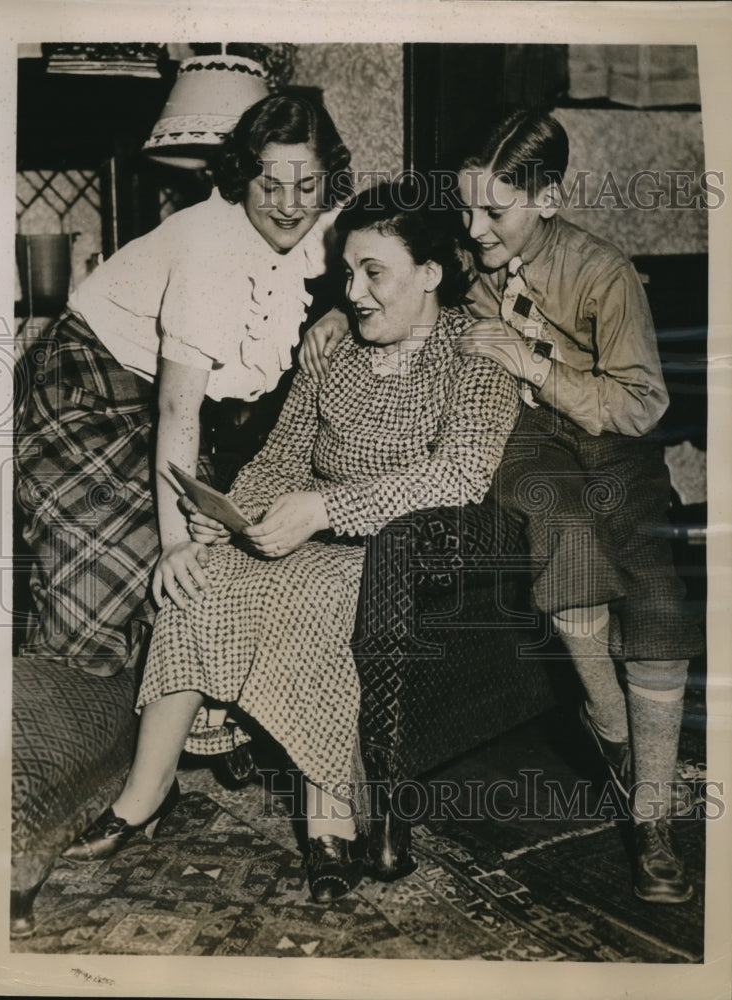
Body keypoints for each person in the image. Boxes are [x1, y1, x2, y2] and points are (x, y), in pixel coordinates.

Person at [60, 180, 521, 905]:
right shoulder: (335, 351)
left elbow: (458, 475)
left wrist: (326, 508)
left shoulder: (478, 352)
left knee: (311, 590)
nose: (355, 292)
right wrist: (228, 514)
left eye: (375, 273)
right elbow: (281, 459)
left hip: (403, 546)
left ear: (430, 273)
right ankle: (144, 795)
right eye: (348, 273)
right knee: (204, 575)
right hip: (309, 524)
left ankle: (326, 819)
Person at [300, 111, 704, 906]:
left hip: (610, 438)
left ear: (547, 198)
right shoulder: (469, 257)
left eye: (495, 211)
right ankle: (609, 720)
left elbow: (642, 406)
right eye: (466, 209)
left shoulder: (602, 273)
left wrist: (533, 363)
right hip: (525, 441)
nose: (475, 229)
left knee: (655, 587)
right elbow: (402, 278)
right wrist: (338, 315)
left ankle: (650, 814)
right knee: (560, 529)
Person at [14, 93, 352, 678]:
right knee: (111, 569)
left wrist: (343, 308)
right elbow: (177, 409)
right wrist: (174, 542)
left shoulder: (321, 229)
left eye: (307, 186)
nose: (290, 206)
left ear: (328, 181)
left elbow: (390, 243)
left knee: (216, 552)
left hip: (162, 402)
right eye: (270, 185)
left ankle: (189, 694)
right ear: (243, 178)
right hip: (85, 383)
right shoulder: (210, 253)